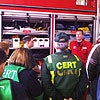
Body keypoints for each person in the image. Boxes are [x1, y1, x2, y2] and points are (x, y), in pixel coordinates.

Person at [42, 32, 88, 100]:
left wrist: (60, 98)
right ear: (68, 44)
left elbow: (46, 84)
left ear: (54, 44)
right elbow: (83, 82)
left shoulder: (48, 60)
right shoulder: (77, 59)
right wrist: (73, 97)